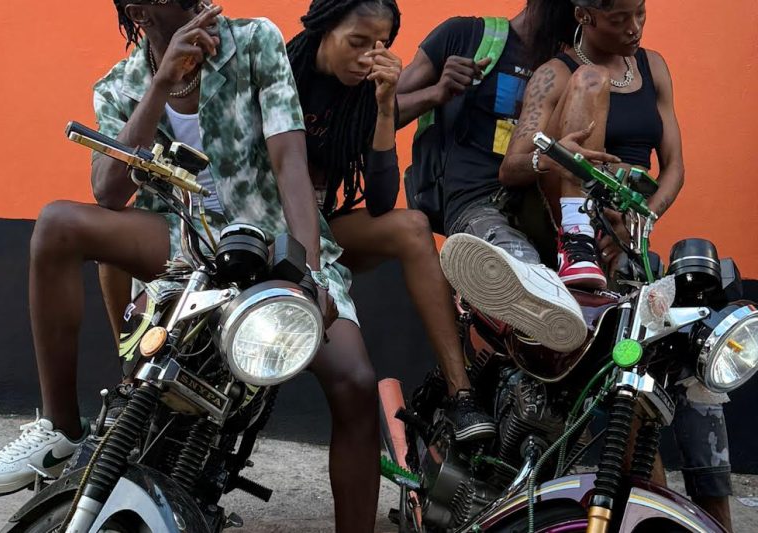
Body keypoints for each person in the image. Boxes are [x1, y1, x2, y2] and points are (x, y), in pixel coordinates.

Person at [0, 2, 379, 530]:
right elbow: (108, 192)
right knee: (56, 224)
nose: (202, 6)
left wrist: (310, 273)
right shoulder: (120, 86)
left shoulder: (255, 41)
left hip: (272, 239)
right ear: (141, 11)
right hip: (183, 240)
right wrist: (161, 83)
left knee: (355, 381)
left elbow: (289, 161)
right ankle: (61, 428)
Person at [415, 0, 731, 529]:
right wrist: (559, 155)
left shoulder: (653, 67)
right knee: (619, 376)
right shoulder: (559, 74)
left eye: (640, 13)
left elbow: (674, 166)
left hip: (630, 241)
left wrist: (640, 221)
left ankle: (713, 519)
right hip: (571, 229)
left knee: (695, 380)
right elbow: (514, 166)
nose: (634, 28)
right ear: (584, 15)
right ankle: (565, 253)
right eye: (619, 18)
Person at [286, 0, 495, 443]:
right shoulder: (281, 72)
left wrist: (384, 109)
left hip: (321, 233)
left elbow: (381, 202)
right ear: (323, 29)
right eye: (356, 42)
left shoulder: (363, 94)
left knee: (412, 226)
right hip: (262, 225)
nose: (367, 57)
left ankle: (461, 394)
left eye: (379, 46)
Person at [396, 1, 606, 353]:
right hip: (477, 204)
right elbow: (374, 113)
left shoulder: (574, 63)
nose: (583, 18)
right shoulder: (466, 35)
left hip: (545, 209)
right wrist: (437, 92)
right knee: (522, 274)